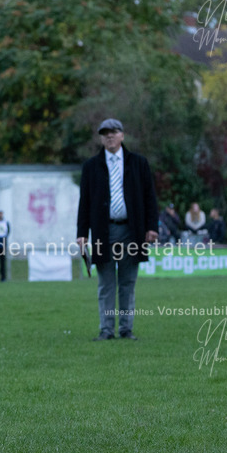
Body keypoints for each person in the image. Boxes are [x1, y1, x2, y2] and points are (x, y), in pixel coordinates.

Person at [77, 118, 158, 341]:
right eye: (105, 133)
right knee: (106, 284)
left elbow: (150, 197)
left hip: (132, 231)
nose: (109, 136)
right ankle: (106, 329)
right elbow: (84, 202)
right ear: (101, 138)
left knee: (127, 282)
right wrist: (82, 233)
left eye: (113, 132)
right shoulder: (91, 167)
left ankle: (125, 329)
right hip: (104, 231)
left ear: (122, 135)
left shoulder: (138, 163)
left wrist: (152, 227)